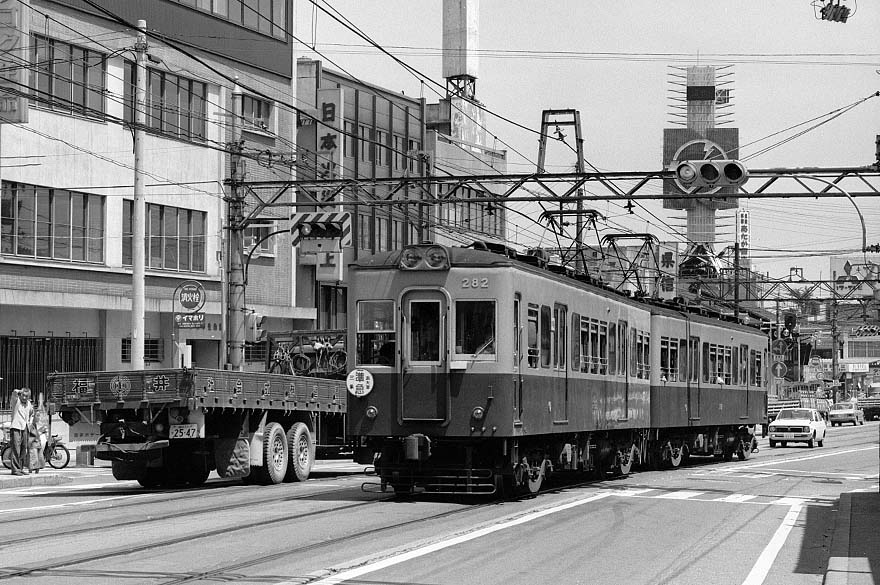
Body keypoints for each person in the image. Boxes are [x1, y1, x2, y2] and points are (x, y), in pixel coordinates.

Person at [9, 387, 34, 476]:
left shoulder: (29, 404)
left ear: (29, 397)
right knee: (16, 449)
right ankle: (15, 469)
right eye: (23, 395)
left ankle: (21, 468)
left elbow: (32, 413)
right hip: (16, 427)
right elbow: (14, 393)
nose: (24, 397)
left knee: (24, 449)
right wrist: (20, 392)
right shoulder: (16, 401)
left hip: (25, 428)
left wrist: (30, 423)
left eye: (26, 396)